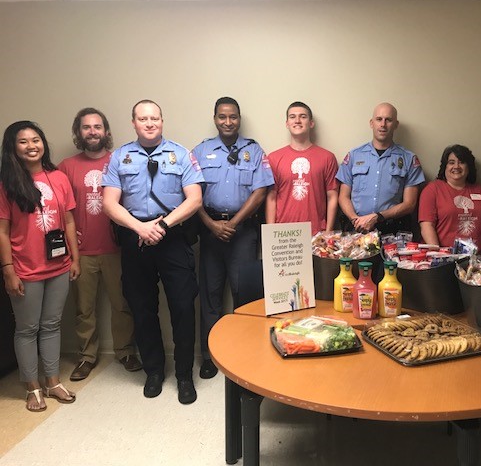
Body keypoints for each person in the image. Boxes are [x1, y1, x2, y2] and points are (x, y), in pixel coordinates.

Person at [102, 100, 203, 405]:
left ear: (162, 121)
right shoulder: (120, 156)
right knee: (142, 309)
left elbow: (195, 199)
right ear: (133, 123)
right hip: (136, 240)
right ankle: (154, 372)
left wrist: (163, 225)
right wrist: (140, 228)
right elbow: (109, 203)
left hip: (172, 238)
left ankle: (184, 375)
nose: (149, 123)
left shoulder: (181, 154)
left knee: (183, 308)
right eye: (143, 119)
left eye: (154, 118)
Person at [0, 121, 79, 412]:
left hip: (58, 265)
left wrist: (75, 258)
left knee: (51, 325)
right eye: (23, 142)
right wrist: (8, 269)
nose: (32, 146)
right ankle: (32, 387)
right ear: (13, 147)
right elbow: (2, 231)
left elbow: (69, 221)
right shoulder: (6, 184)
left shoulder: (57, 177)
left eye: (36, 140)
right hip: (25, 268)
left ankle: (53, 381)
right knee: (27, 329)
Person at [192, 97, 273, 380]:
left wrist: (233, 224)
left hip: (243, 232)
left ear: (239, 119)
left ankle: (244, 354)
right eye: (223, 117)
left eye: (233, 117)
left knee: (246, 296)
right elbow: (190, 193)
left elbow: (260, 191)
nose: (228, 122)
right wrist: (212, 225)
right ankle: (209, 355)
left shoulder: (254, 150)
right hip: (210, 230)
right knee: (211, 297)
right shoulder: (200, 151)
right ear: (215, 118)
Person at [58, 108, 141, 381]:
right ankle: (87, 356)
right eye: (86, 127)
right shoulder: (66, 167)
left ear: (106, 131)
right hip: (81, 253)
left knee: (122, 304)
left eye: (97, 126)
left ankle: (125, 351)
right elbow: (61, 210)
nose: (92, 132)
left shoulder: (119, 160)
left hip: (116, 248)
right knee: (84, 309)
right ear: (78, 132)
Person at [336, 102, 425, 235]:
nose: (383, 124)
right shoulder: (354, 155)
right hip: (356, 229)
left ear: (396, 125)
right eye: (379, 119)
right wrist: (356, 221)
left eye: (388, 120)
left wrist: (378, 216)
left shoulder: (408, 159)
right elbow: (343, 196)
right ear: (372, 123)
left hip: (392, 231)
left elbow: (409, 204)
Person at [266, 101, 339, 234]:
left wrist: (329, 232)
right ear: (287, 123)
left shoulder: (327, 158)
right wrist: (271, 232)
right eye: (292, 117)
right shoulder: (273, 158)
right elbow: (271, 197)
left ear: (311, 123)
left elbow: (332, 196)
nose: (297, 120)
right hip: (284, 234)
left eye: (303, 116)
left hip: (317, 233)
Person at [418, 144, 481, 252]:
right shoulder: (432, 190)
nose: (456, 166)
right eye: (451, 162)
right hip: (443, 258)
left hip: (476, 260)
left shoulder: (480, 191)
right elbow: (427, 226)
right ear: (445, 166)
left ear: (469, 167)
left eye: (461, 162)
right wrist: (439, 255)